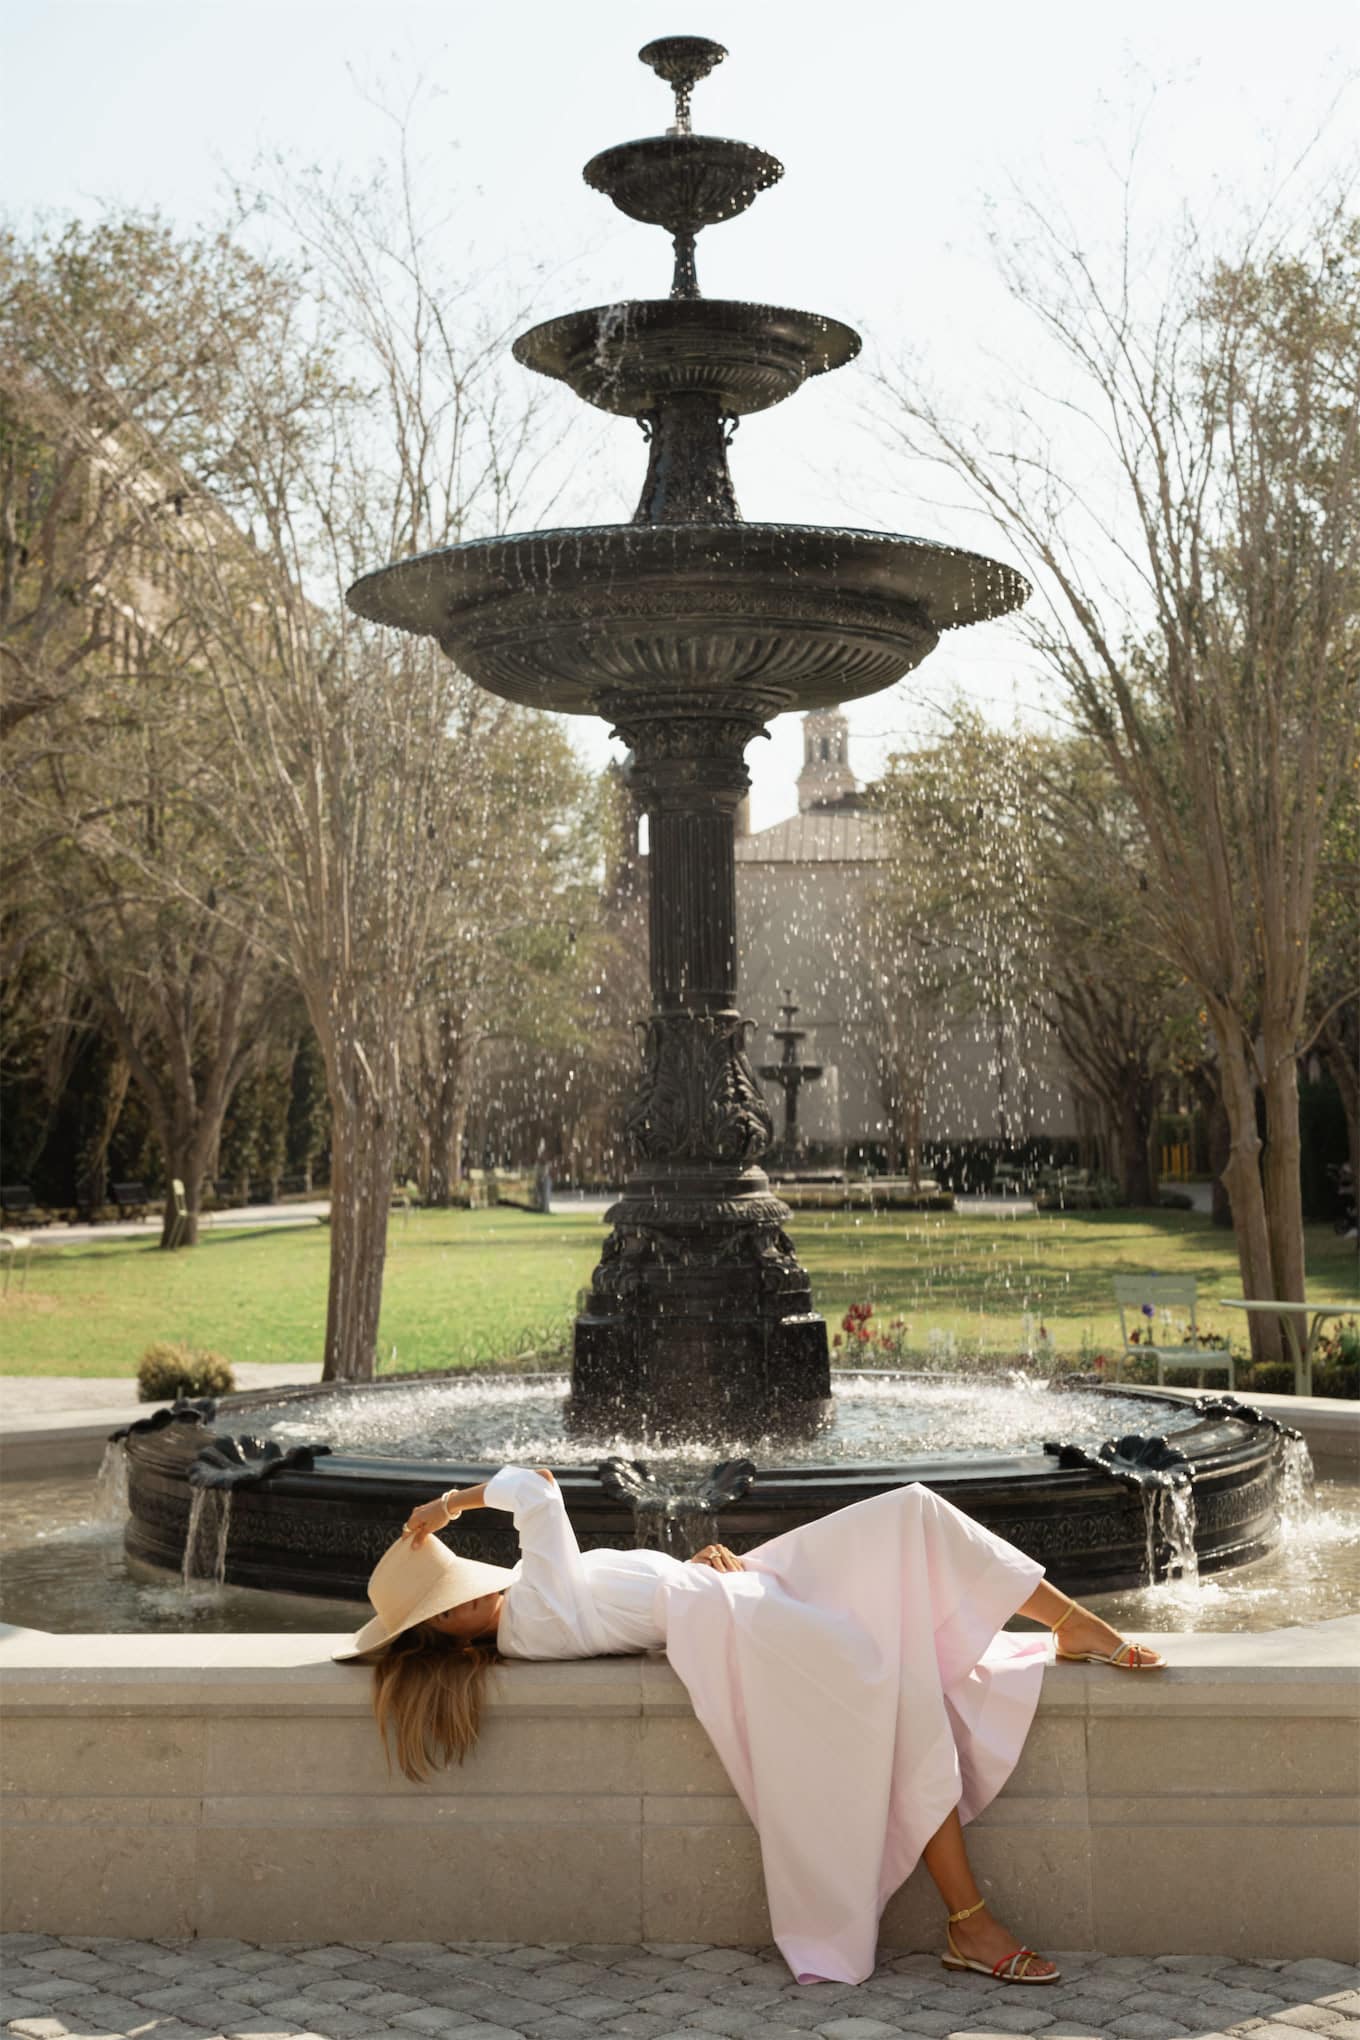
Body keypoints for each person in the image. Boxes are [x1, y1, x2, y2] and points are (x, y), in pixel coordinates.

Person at [334, 1464, 1165, 1986]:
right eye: (450, 1605)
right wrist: (450, 1503)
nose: (470, 1595)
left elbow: (610, 1581)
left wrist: (682, 1565)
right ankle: (967, 1922)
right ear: (440, 1634)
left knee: (913, 1509)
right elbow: (538, 1489)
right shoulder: (532, 1613)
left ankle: (1071, 1625)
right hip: (739, 1624)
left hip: (735, 1592)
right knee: (895, 1682)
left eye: (459, 1581)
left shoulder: (531, 1594)